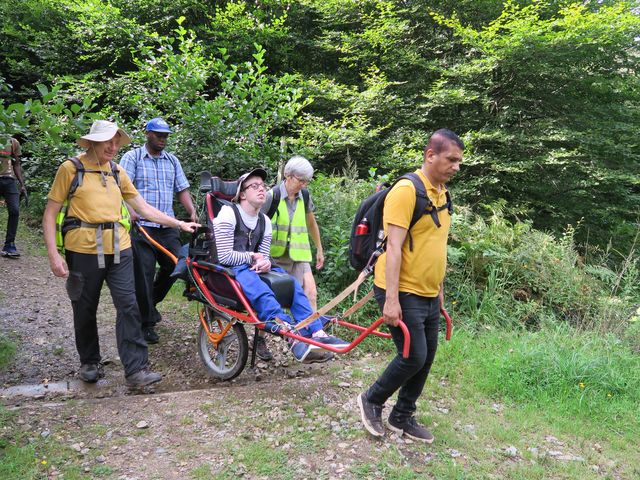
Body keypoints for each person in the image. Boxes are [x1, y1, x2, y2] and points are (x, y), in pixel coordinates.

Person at [42, 120, 199, 387]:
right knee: (85, 307)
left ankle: (136, 369)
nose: (114, 147)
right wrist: (53, 256)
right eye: (108, 141)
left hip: (120, 248)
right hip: (83, 249)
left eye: (117, 142)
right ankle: (90, 362)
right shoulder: (71, 169)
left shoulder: (116, 171)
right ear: (92, 142)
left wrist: (179, 223)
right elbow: (51, 213)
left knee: (129, 306)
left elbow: (143, 207)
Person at [356, 129, 463, 443]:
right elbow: (394, 249)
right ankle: (371, 400)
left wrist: (440, 294)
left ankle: (402, 416)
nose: (456, 166)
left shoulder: (441, 193)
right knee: (413, 355)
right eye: (451, 159)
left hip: (428, 291)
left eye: (459, 161)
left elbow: (436, 247)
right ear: (431, 155)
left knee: (426, 356)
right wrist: (391, 299)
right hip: (401, 289)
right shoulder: (406, 191)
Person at [212, 168, 348, 363]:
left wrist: (266, 262)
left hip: (253, 266)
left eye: (263, 185)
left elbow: (265, 255)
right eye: (254, 186)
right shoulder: (228, 213)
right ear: (242, 194)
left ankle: (316, 332)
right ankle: (288, 333)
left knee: (291, 284)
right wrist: (253, 257)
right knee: (261, 290)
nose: (261, 189)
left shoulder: (264, 221)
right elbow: (224, 256)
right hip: (231, 268)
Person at [120, 118, 196, 344]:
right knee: (142, 275)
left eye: (166, 135)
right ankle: (146, 324)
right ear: (148, 134)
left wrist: (191, 211)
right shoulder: (132, 158)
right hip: (141, 227)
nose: (163, 139)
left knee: (176, 266)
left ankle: (149, 304)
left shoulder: (172, 161)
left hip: (167, 226)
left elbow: (182, 189)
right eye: (158, 135)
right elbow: (121, 189)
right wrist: (129, 210)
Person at [258, 156, 324, 360]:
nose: (303, 184)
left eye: (307, 181)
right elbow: (256, 224)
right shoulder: (271, 196)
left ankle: (313, 340)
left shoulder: (304, 195)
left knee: (311, 293)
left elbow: (311, 223)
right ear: (288, 176)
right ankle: (260, 338)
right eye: (300, 180)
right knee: (271, 299)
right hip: (274, 257)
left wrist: (319, 248)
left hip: (298, 254)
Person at [0, 135, 27, 258]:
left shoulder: (13, 142)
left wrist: (22, 185)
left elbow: (16, 164)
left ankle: (9, 245)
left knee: (15, 210)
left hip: (9, 180)